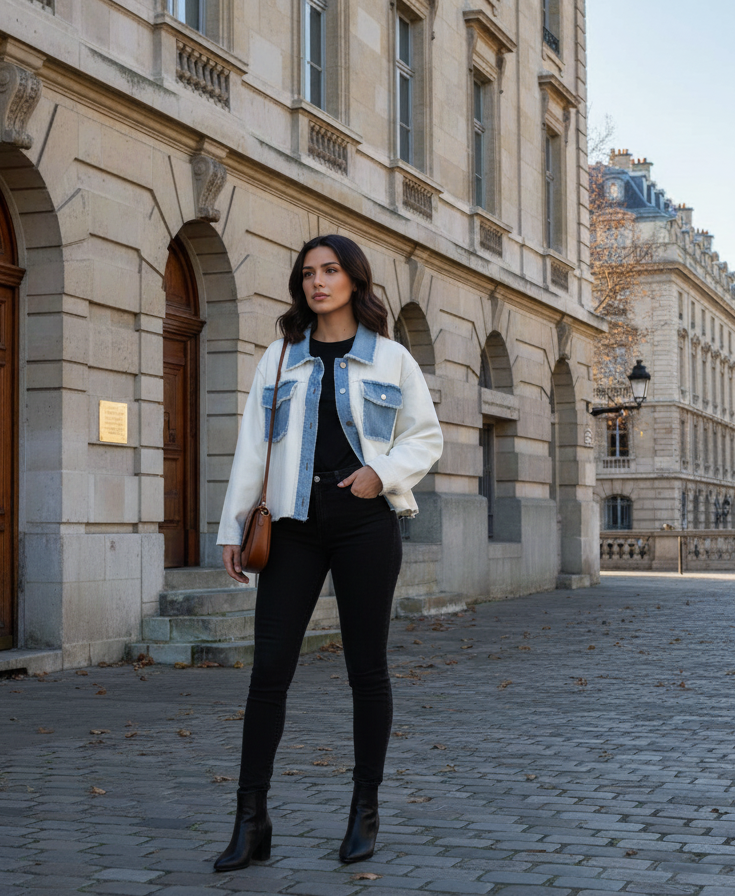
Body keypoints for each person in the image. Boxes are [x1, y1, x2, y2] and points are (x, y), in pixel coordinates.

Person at [212, 234, 443, 871]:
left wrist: (382, 473)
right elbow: (252, 445)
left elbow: (426, 437)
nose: (317, 282)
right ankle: (250, 819)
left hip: (365, 522)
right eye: (308, 272)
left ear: (354, 280)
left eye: (331, 270)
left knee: (366, 670)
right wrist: (233, 528)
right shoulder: (280, 358)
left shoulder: (392, 359)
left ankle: (364, 810)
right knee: (269, 672)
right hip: (291, 525)